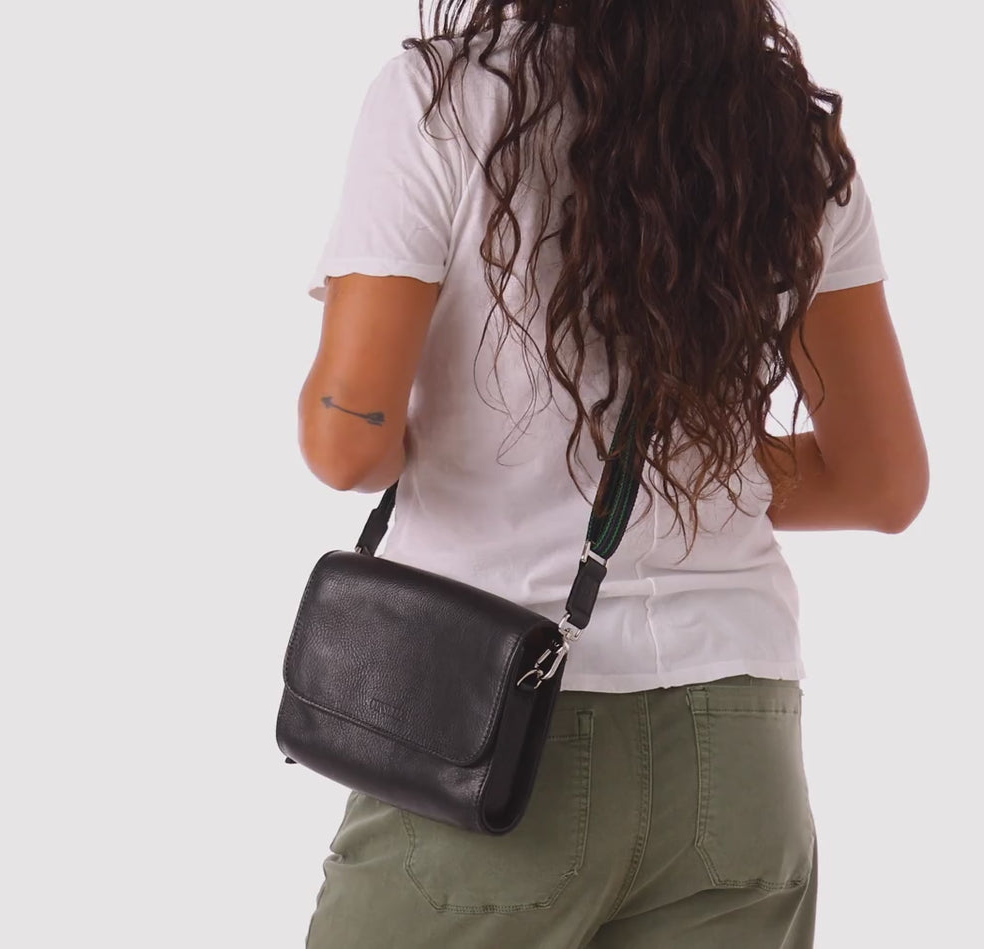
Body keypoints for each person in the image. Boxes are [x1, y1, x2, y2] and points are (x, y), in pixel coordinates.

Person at [292, 1, 927, 945]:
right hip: (738, 753)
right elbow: (881, 481)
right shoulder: (786, 133)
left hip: (491, 727)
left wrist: (478, 438)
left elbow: (347, 443)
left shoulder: (442, 99)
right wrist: (694, 468)